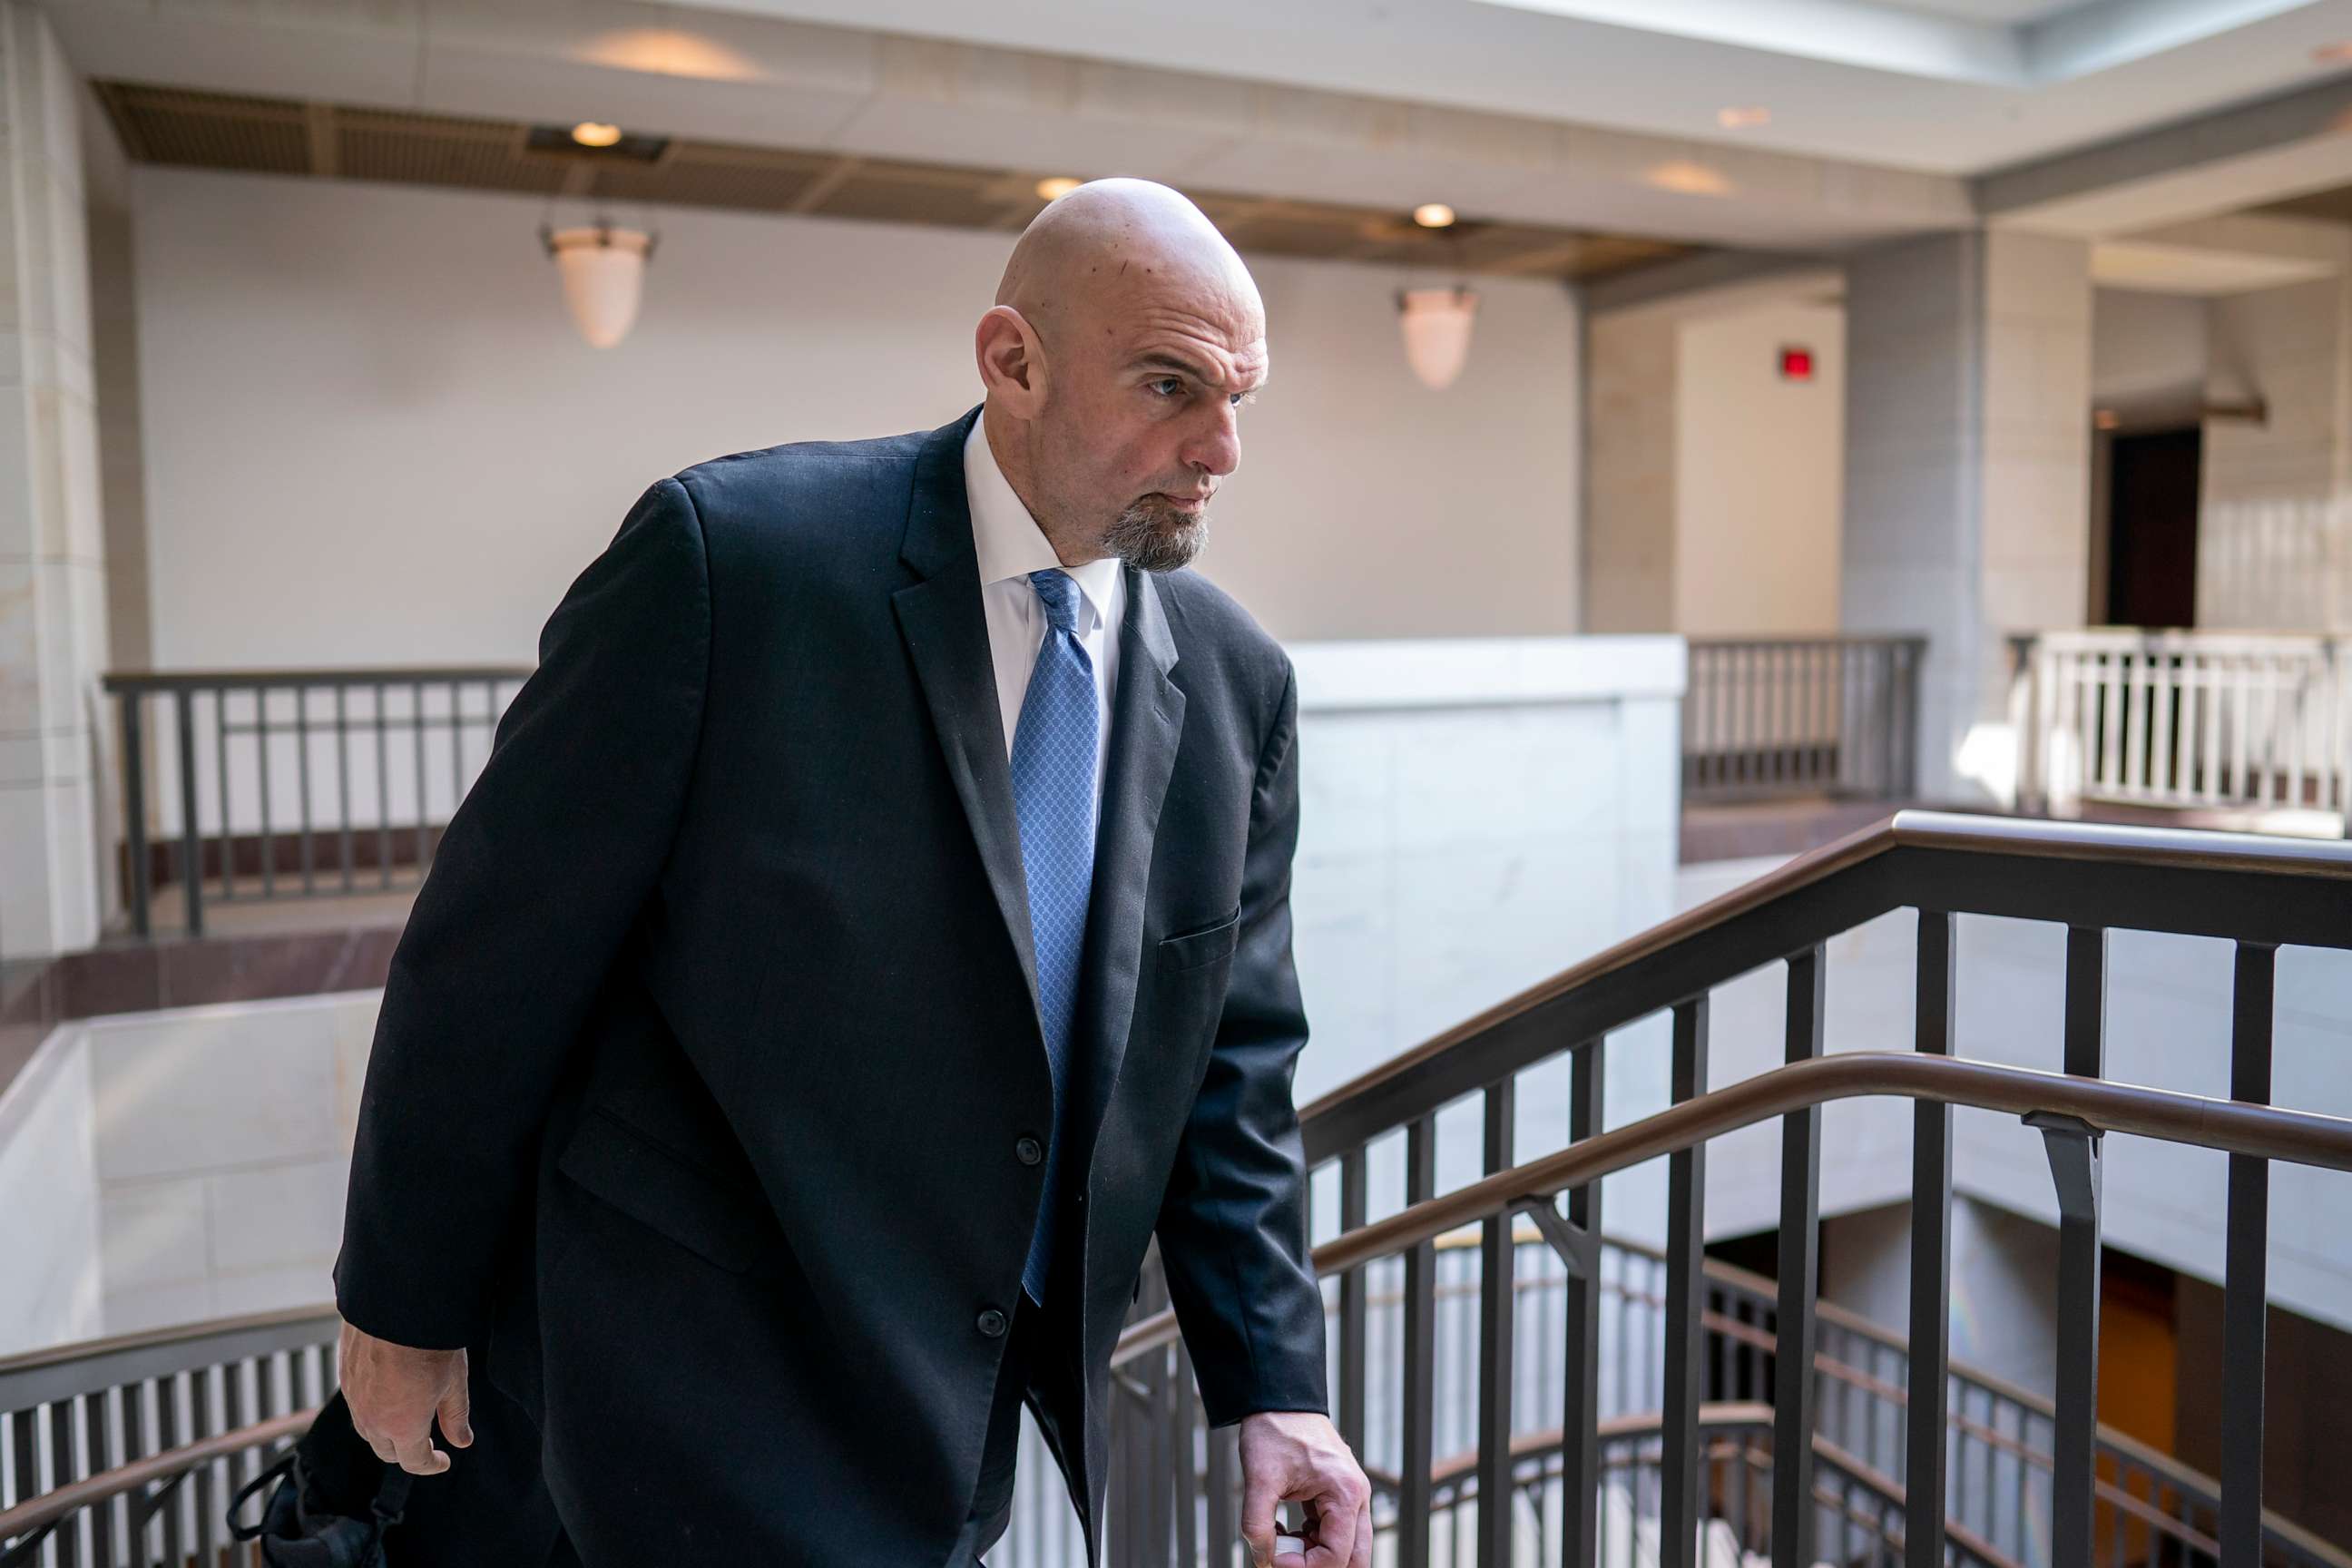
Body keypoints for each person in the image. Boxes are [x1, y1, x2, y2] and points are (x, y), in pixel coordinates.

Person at [330, 177, 1374, 1567]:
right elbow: (492, 961)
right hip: (695, 1390)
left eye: (1240, 396)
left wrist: (1276, 1388)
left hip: (963, 1422)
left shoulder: (1238, 684)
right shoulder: (732, 564)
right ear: (1013, 359)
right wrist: (407, 1305)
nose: (1222, 448)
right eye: (1172, 385)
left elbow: (1230, 1074)